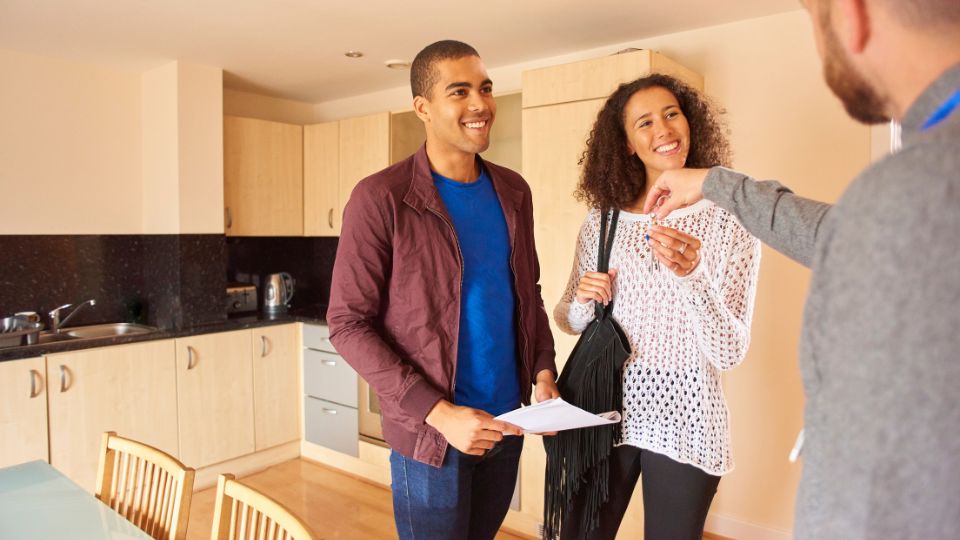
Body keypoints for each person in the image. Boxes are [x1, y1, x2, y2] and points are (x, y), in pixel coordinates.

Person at [643, 1, 960, 537]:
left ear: (852, 15)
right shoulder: (908, 195)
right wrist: (718, 183)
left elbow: (877, 485)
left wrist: (694, 270)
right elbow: (843, 232)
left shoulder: (917, 187)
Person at [326, 40, 559, 540]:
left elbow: (527, 294)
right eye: (460, 91)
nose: (480, 104)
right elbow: (346, 325)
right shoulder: (380, 198)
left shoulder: (514, 191)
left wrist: (542, 370)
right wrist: (440, 414)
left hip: (506, 421)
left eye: (486, 88)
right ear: (423, 108)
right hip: (431, 434)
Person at [552, 74, 761, 540]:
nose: (663, 129)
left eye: (671, 114)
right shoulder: (602, 221)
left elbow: (729, 352)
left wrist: (692, 277)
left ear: (690, 123)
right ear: (626, 143)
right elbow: (567, 317)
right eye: (644, 122)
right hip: (604, 407)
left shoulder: (732, 219)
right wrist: (585, 300)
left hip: (687, 412)